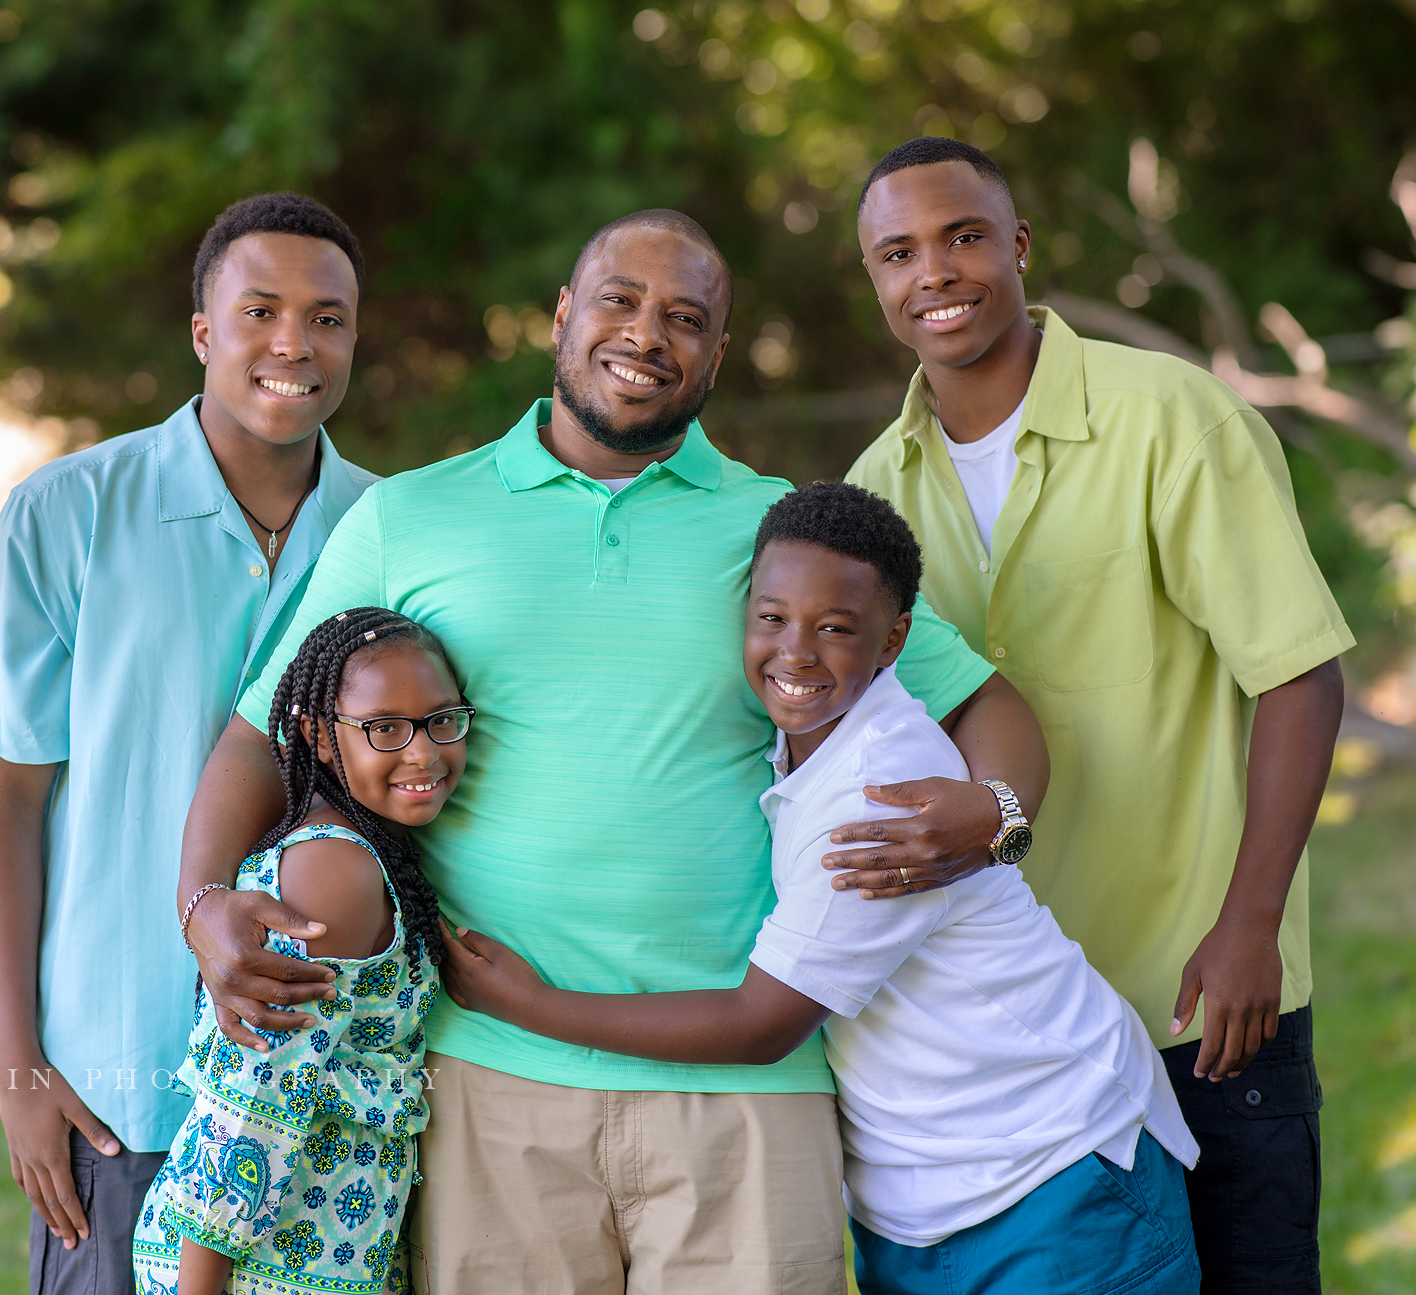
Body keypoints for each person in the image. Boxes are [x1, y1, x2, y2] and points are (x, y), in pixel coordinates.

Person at [175, 209, 1052, 1294]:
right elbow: (262, 733)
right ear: (561, 316)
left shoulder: (777, 532)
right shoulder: (411, 517)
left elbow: (986, 703)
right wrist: (200, 901)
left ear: (716, 356)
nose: (647, 334)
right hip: (488, 1079)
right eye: (619, 301)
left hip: (742, 1090)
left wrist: (997, 810)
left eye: (684, 319)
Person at [442, 481, 1202, 1295]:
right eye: (771, 619)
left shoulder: (878, 795)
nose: (796, 652)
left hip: (1056, 1171)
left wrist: (523, 1003)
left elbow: (760, 1020)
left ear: (893, 639)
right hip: (924, 1201)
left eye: (835, 628)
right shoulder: (808, 738)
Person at [845, 137, 1350, 1294]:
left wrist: (1249, 927)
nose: (935, 271)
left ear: (1017, 246)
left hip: (1200, 996)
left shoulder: (1172, 417)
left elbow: (1298, 677)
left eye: (963, 236)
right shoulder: (872, 493)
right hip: (1023, 1042)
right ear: (873, 282)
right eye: (897, 252)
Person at [0, 193, 380, 1295]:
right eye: (260, 311)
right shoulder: (64, 513)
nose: (294, 344)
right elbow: (1, 804)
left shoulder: (394, 531)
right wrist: (18, 1071)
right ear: (203, 332)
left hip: (327, 1088)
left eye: (327, 319)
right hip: (117, 1086)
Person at [134, 608, 463, 1295]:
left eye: (442, 719)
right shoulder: (334, 874)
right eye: (385, 728)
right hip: (258, 1268)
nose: (424, 751)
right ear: (315, 732)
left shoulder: (353, 848)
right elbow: (252, 1096)